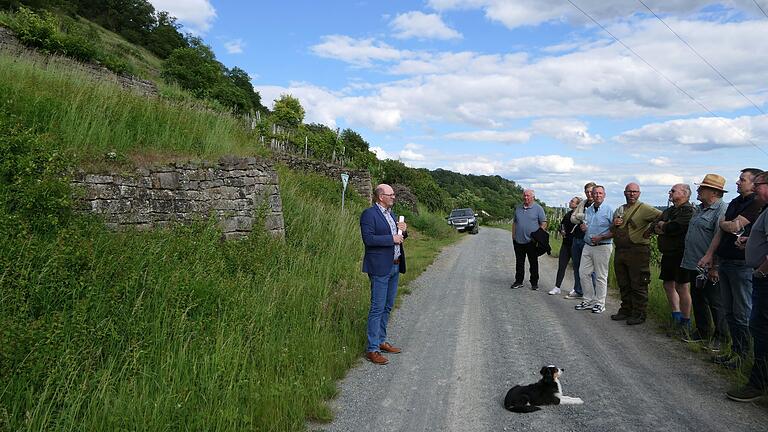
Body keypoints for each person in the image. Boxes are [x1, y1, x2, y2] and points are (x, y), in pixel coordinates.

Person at [700, 169, 763, 364]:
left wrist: (726, 224)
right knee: (729, 311)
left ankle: (743, 357)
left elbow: (734, 226)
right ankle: (736, 353)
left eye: (742, 180)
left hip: (743, 264)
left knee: (742, 312)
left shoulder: (757, 203)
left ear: (754, 184)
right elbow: (724, 229)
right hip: (726, 262)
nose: (737, 182)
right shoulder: (736, 202)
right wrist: (710, 255)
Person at [727, 171, 768, 402]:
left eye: (758, 184)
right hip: (760, 277)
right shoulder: (763, 209)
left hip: (764, 280)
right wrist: (749, 241)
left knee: (761, 331)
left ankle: (757, 384)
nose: (754, 189)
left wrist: (761, 271)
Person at [360, 184, 407, 365]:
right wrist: (391, 239)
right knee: (377, 307)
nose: (394, 197)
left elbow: (399, 237)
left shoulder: (391, 214)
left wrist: (403, 230)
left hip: (394, 266)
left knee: (387, 306)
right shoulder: (369, 214)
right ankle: (372, 349)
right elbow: (369, 239)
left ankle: (381, 340)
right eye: (391, 194)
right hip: (380, 268)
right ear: (381, 197)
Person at [680, 175, 728, 344]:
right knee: (698, 298)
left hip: (709, 266)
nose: (698, 191)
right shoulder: (700, 209)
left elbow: (719, 239)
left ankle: (721, 337)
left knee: (715, 302)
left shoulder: (721, 210)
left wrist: (715, 266)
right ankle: (702, 332)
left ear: (714, 192)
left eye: (702, 188)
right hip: (695, 263)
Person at [609, 183, 662, 325]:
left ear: (639, 193)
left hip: (638, 251)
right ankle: (626, 310)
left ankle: (639, 314)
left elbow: (663, 216)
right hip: (621, 250)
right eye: (629, 191)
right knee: (623, 283)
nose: (632, 194)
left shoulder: (644, 208)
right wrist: (614, 224)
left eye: (634, 191)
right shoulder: (620, 209)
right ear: (624, 193)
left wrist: (651, 230)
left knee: (638, 284)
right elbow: (612, 231)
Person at [652, 183, 695, 334]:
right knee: (668, 284)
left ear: (684, 193)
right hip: (669, 253)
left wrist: (665, 226)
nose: (670, 193)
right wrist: (664, 226)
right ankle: (675, 316)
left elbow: (674, 228)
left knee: (682, 287)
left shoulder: (688, 210)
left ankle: (685, 321)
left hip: (681, 254)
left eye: (673, 190)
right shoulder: (670, 210)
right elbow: (655, 226)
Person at [574, 185, 613, 314]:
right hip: (588, 245)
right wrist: (583, 227)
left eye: (600, 193)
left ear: (604, 195)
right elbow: (585, 224)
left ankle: (600, 303)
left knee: (601, 276)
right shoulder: (589, 210)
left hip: (602, 246)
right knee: (583, 273)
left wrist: (601, 237)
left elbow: (616, 230)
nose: (597, 195)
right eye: (595, 193)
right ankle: (588, 300)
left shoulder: (609, 210)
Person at [511, 189, 547, 290]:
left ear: (533, 197)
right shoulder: (518, 208)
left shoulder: (538, 208)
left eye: (528, 196)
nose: (526, 197)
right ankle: (518, 281)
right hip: (518, 241)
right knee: (519, 262)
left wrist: (538, 235)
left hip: (531, 241)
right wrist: (513, 235)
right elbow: (515, 222)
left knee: (533, 263)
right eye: (524, 196)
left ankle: (534, 283)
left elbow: (543, 223)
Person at [565, 182, 596, 299]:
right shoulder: (583, 203)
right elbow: (573, 218)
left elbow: (594, 220)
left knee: (590, 269)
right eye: (587, 191)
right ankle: (578, 290)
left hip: (588, 240)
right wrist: (582, 217)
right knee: (577, 266)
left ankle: (592, 294)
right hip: (577, 238)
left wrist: (580, 216)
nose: (589, 194)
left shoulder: (597, 205)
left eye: (591, 191)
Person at [549, 196, 581, 296]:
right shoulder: (568, 214)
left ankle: (576, 288)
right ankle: (557, 287)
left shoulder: (580, 216)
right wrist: (561, 230)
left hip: (575, 244)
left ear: (577, 204)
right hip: (566, 243)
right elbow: (561, 225)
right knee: (561, 266)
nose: (570, 202)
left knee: (576, 268)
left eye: (572, 201)